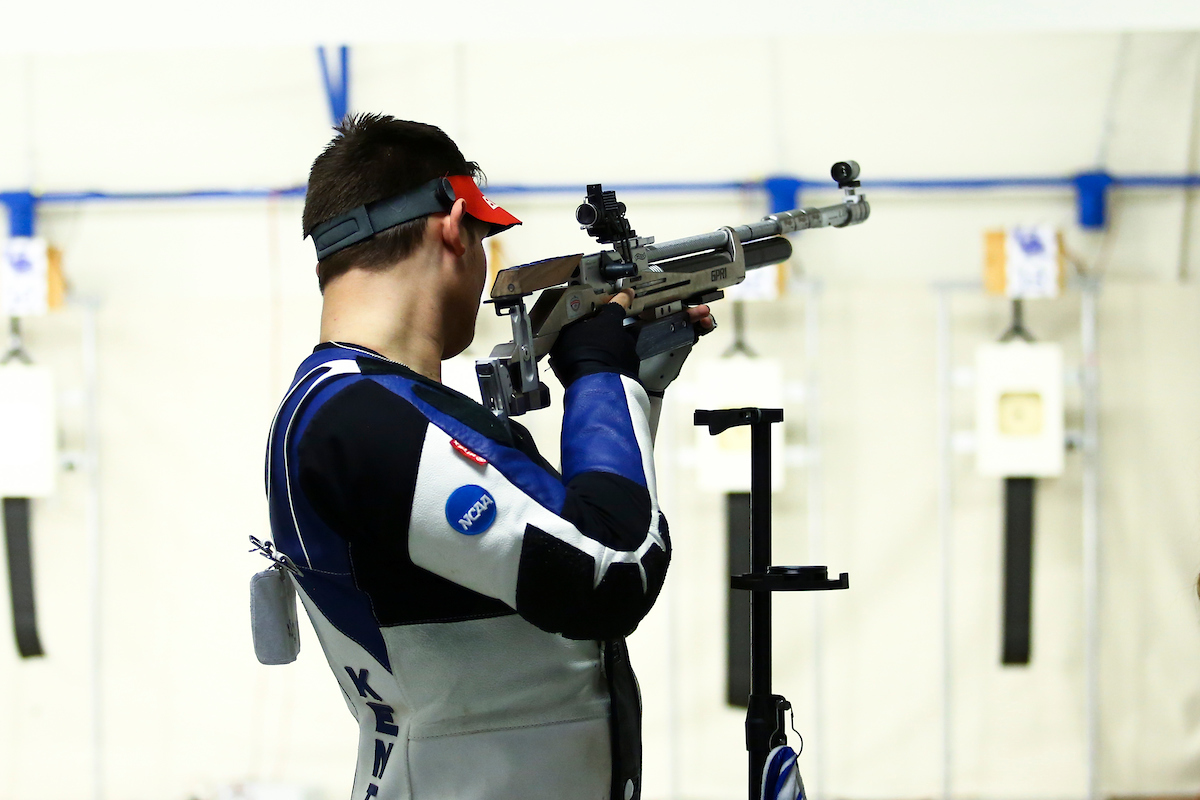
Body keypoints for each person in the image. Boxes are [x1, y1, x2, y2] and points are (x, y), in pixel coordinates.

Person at [265, 113, 712, 800]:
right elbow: (612, 569)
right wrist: (600, 377)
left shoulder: (353, 408)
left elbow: (567, 532)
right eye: (483, 242)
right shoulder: (367, 420)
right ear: (453, 227)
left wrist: (632, 387)